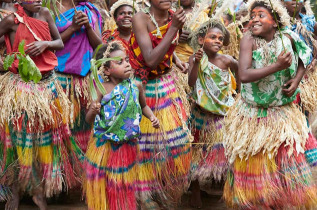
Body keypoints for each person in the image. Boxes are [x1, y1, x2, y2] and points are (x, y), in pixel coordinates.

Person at [223, 0, 317, 208]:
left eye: (261, 15)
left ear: (275, 22)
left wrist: (297, 79)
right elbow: (244, 74)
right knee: (257, 168)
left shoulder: (288, 37)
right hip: (253, 115)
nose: (255, 18)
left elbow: (307, 55)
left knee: (280, 168)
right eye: (252, 15)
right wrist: (277, 66)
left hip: (282, 113)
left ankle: (276, 201)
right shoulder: (249, 40)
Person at [0, 0, 82, 209]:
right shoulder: (11, 20)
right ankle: (17, 191)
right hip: (21, 89)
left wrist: (46, 44)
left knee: (44, 141)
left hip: (47, 88)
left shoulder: (45, 13)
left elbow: (59, 43)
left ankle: (38, 191)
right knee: (20, 142)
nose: (37, 0)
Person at [129, 0, 192, 208]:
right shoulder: (140, 18)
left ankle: (166, 188)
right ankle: (144, 192)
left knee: (173, 141)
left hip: (166, 84)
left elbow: (163, 44)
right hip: (144, 87)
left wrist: (175, 59)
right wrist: (173, 27)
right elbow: (149, 59)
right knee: (145, 144)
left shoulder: (174, 15)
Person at [84, 40, 159, 210]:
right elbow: (89, 120)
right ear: (107, 69)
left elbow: (143, 105)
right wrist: (93, 110)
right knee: (105, 182)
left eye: (126, 60)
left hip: (127, 145)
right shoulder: (101, 89)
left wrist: (152, 117)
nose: (126, 64)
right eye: (120, 62)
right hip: (105, 146)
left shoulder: (136, 85)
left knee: (122, 183)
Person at [188, 19, 238, 208]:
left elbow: (240, 70)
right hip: (200, 114)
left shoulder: (226, 60)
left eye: (220, 38)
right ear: (201, 40)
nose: (217, 41)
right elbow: (192, 83)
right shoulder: (195, 58)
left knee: (224, 154)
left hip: (221, 115)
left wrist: (238, 92)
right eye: (213, 37)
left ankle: (226, 188)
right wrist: (197, 62)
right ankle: (195, 191)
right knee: (196, 153)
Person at [55, 0, 102, 154]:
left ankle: (81, 170)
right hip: (59, 80)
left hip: (86, 81)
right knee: (60, 129)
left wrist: (88, 27)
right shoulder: (52, 8)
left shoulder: (91, 10)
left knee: (83, 130)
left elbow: (100, 48)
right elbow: (47, 44)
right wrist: (73, 28)